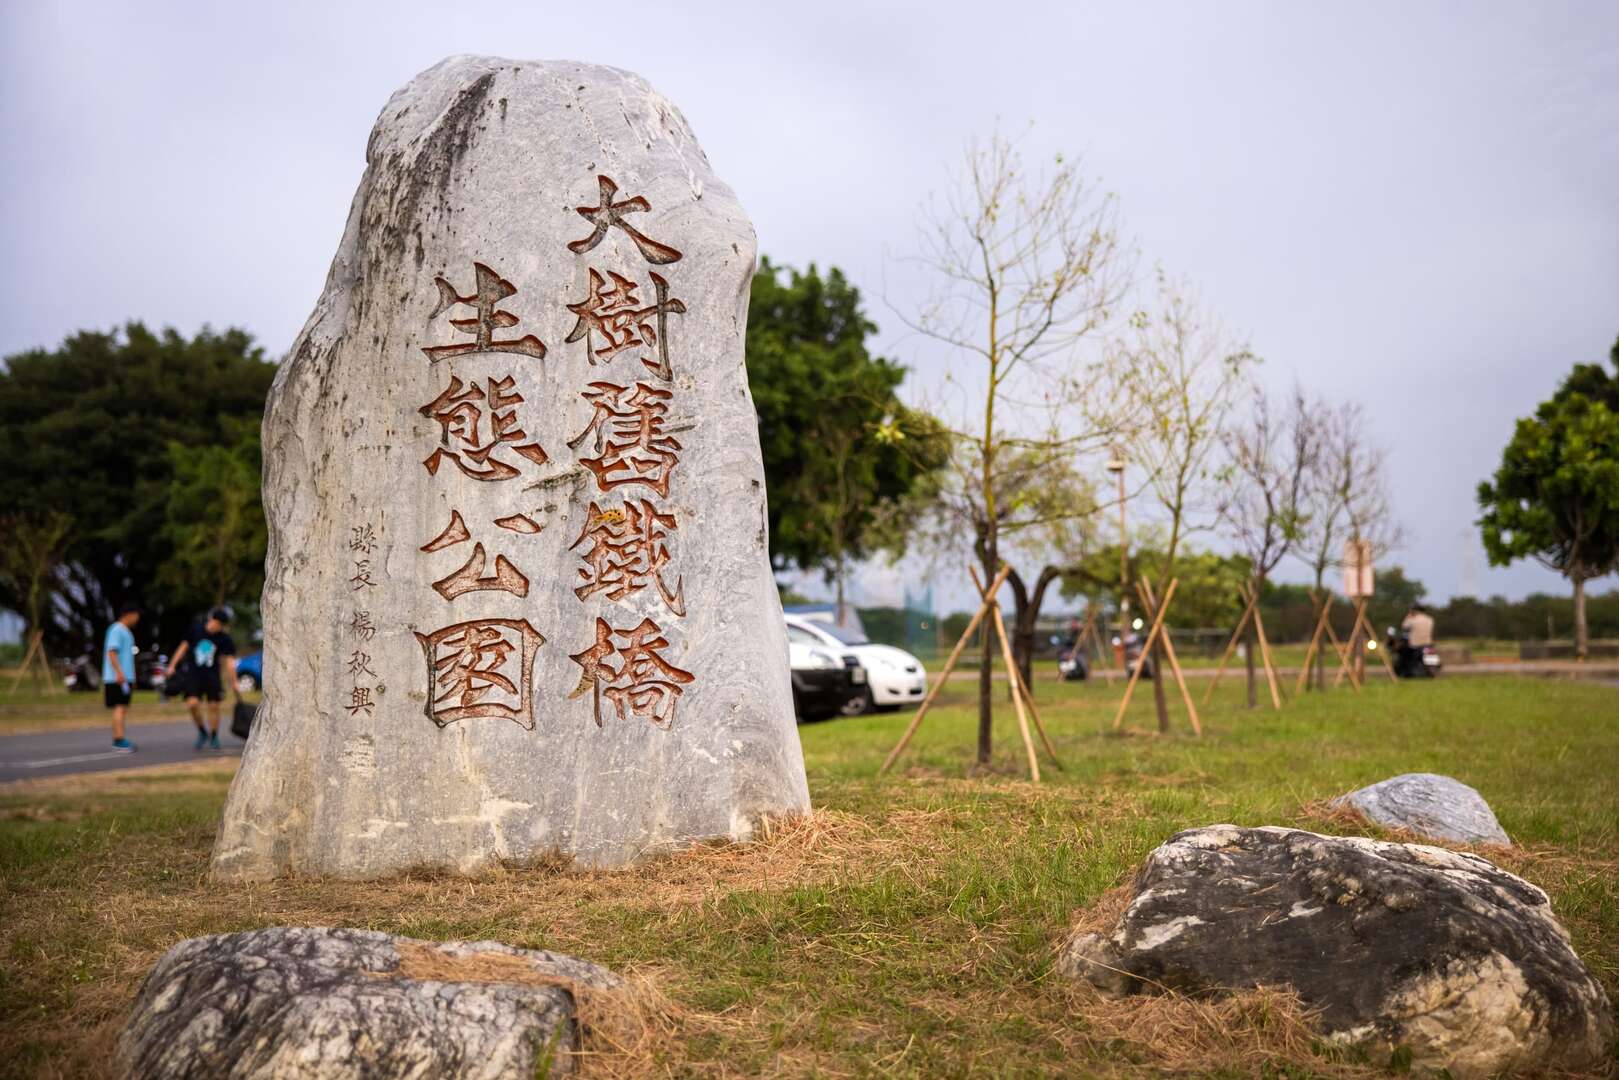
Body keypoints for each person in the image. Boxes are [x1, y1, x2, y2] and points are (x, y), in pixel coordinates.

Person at [166, 606, 238, 750]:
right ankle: (202, 731)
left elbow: (230, 661)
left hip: (212, 676)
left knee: (214, 706)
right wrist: (172, 665)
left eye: (221, 626)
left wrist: (234, 681)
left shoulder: (224, 638)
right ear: (212, 620)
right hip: (193, 675)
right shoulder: (195, 630)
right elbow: (182, 648)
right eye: (218, 624)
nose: (219, 628)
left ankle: (214, 736)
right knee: (192, 704)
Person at [103, 603, 141, 752]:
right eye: (136, 615)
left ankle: (119, 737)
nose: (137, 619)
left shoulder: (126, 632)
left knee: (122, 708)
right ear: (128, 614)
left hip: (125, 677)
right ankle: (118, 739)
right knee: (120, 707)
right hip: (117, 678)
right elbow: (112, 652)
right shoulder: (116, 630)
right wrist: (119, 673)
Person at [1399, 603, 1436, 674]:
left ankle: (1407, 671)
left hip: (1415, 644)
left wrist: (1408, 616)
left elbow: (1404, 626)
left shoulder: (1412, 619)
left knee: (1406, 655)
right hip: (1428, 643)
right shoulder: (1429, 619)